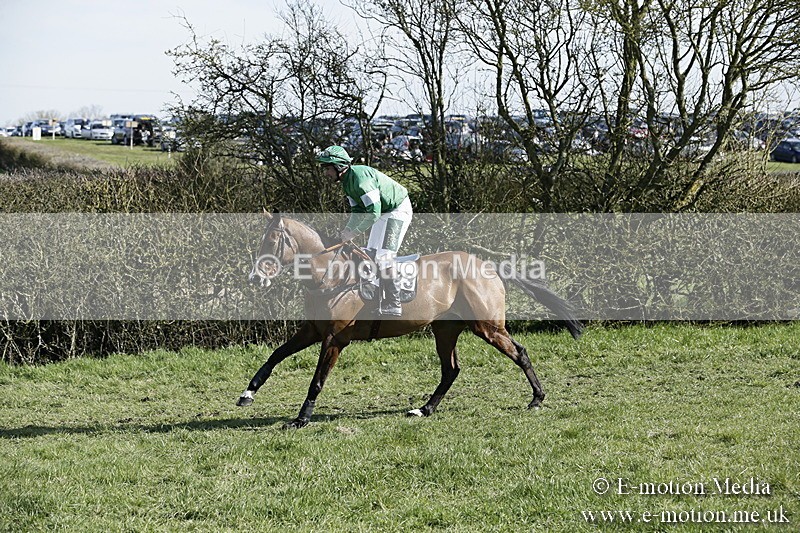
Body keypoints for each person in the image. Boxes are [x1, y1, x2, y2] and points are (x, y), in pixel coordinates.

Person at [316, 145, 413, 317]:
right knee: (369, 254)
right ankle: (377, 297)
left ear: (339, 166)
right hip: (383, 211)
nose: (326, 173)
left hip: (398, 209)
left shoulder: (361, 180)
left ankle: (394, 302)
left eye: (328, 168)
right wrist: (347, 230)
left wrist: (352, 234)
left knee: (384, 257)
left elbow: (373, 213)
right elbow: (357, 212)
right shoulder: (347, 183)